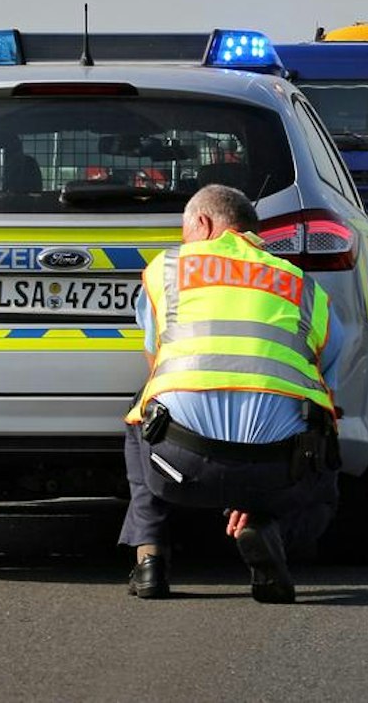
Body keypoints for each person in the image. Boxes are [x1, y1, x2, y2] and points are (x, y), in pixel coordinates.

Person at [121, 184, 340, 605]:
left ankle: (149, 559)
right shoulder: (300, 284)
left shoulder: (168, 268)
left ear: (202, 223)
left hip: (180, 460)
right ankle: (270, 529)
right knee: (324, 434)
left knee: (142, 408)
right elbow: (326, 366)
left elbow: (157, 364)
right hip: (279, 467)